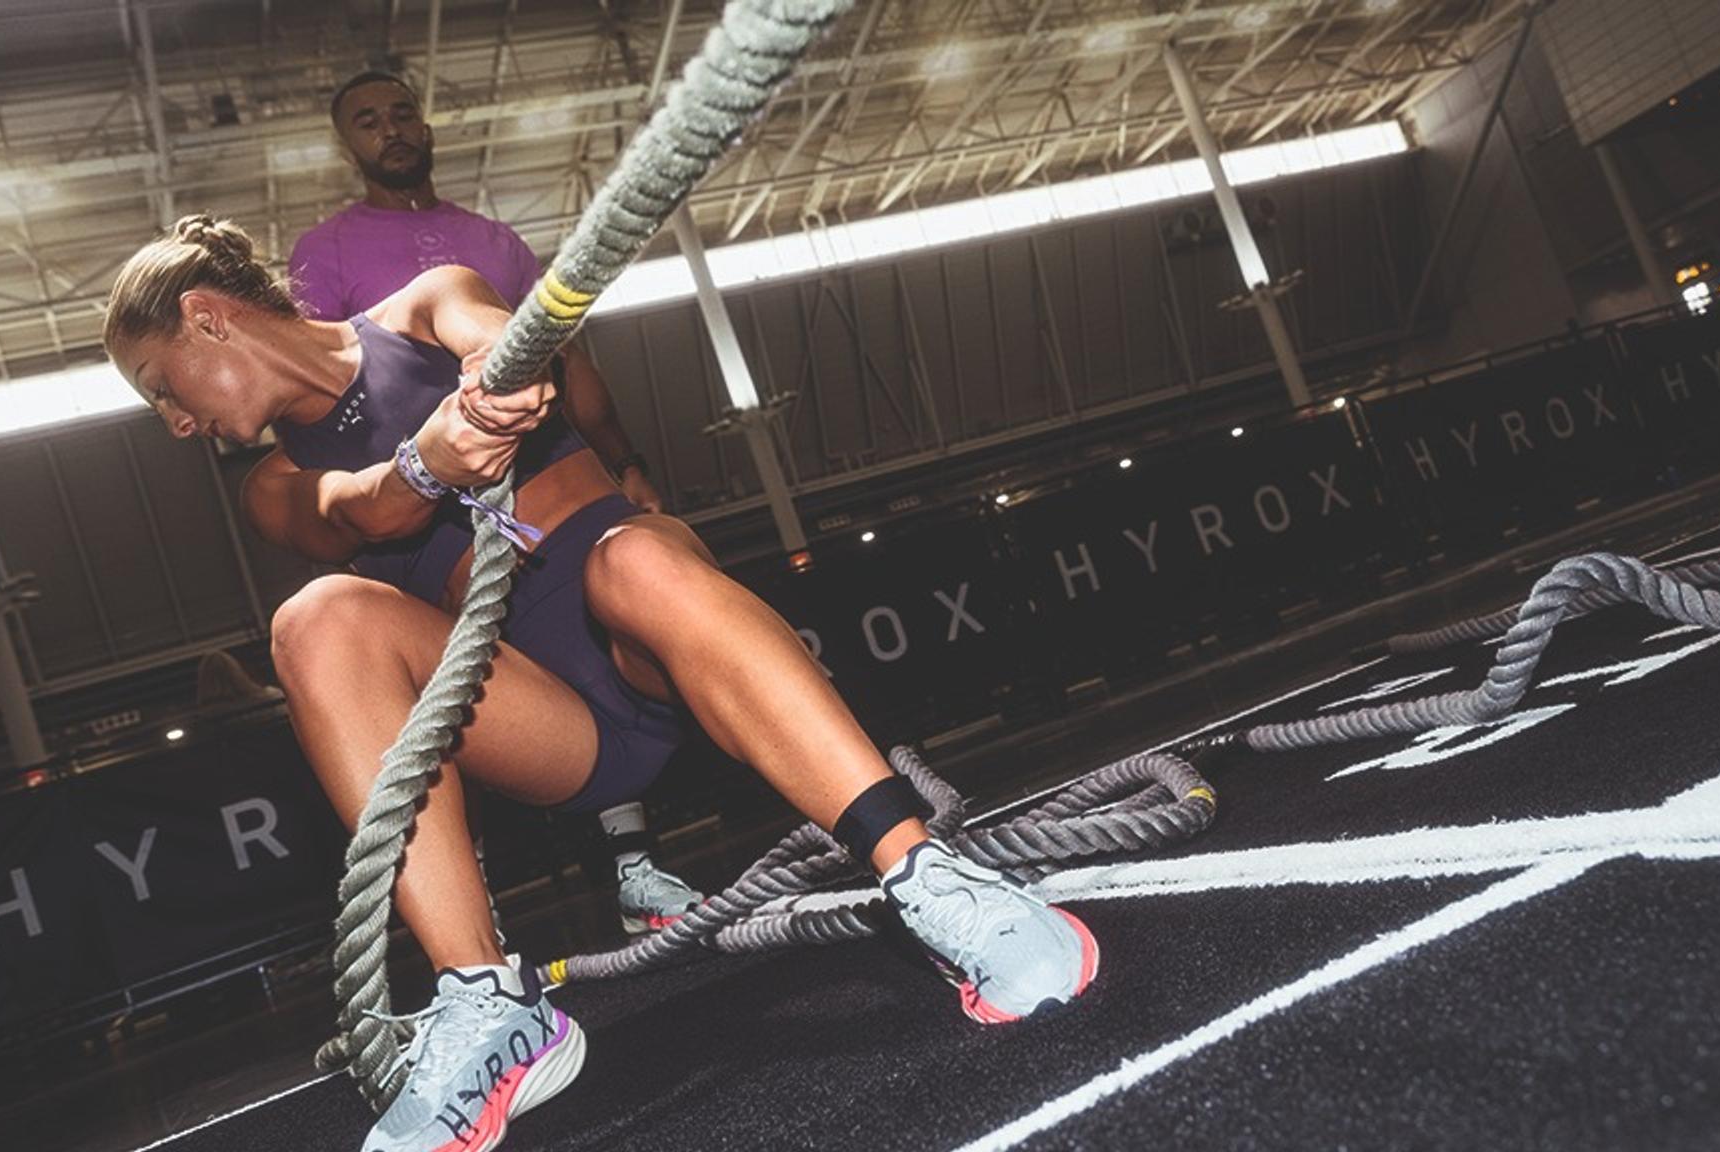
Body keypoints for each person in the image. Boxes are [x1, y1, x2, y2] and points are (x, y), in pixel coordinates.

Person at [103, 216, 1099, 1152]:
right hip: (548, 718)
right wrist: (429, 459)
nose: (176, 422)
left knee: (634, 557)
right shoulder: (271, 486)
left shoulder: (425, 303)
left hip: (648, 635)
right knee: (315, 620)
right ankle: (490, 1007)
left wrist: (497, 379)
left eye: (160, 388)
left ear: (206, 316)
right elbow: (355, 513)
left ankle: (927, 877)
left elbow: (505, 340)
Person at [290, 69, 698, 937]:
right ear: (347, 145)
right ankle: (468, 921)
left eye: (402, 113)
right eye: (368, 121)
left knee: (585, 647)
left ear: (427, 124)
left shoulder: (492, 242)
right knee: (440, 706)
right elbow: (313, 398)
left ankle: (636, 870)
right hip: (417, 513)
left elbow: (568, 363)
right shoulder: (323, 253)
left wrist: (625, 461)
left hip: (531, 481)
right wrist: (370, 503)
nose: (391, 130)